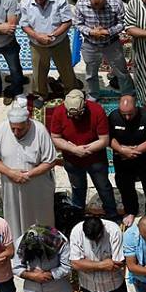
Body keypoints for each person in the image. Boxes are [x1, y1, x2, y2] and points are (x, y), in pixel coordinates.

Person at [0, 107, 57, 236]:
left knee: (40, 217)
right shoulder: (2, 129)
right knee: (14, 216)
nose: (15, 132)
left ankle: (43, 242)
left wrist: (27, 175)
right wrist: (10, 173)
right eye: (13, 128)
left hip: (37, 186)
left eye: (20, 129)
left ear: (28, 123)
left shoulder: (40, 130)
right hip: (11, 186)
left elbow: (50, 161)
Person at [50, 89, 118, 220]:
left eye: (78, 114)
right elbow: (55, 137)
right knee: (77, 188)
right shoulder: (59, 112)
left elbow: (104, 140)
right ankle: (77, 214)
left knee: (103, 187)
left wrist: (85, 150)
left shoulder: (97, 111)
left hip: (96, 160)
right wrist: (74, 150)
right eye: (71, 115)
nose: (75, 118)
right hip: (72, 160)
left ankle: (112, 213)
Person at [19, 0, 76, 101]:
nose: (39, 1)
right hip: (37, 43)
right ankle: (41, 95)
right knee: (38, 71)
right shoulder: (25, 1)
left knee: (66, 68)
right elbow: (24, 25)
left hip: (59, 42)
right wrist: (37, 36)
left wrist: (53, 36)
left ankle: (70, 93)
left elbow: (67, 22)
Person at [74, 0, 135, 101]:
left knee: (121, 71)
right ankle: (93, 95)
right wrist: (91, 32)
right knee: (91, 73)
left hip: (111, 43)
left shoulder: (116, 4)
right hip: (90, 44)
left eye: (100, 5)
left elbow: (123, 23)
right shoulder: (81, 4)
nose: (97, 9)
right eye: (94, 5)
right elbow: (77, 24)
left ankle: (127, 93)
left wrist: (108, 31)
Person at [108, 96, 146, 225]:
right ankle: (131, 210)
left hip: (145, 156)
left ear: (136, 107)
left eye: (130, 114)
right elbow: (109, 138)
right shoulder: (113, 117)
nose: (127, 118)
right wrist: (121, 150)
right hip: (122, 157)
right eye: (124, 114)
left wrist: (135, 151)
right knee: (125, 186)